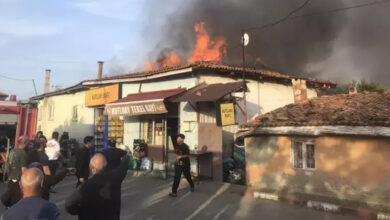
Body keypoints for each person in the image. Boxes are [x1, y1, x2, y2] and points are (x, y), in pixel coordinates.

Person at [65, 153, 129, 220]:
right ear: (106, 166)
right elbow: (123, 166)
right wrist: (126, 157)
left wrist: (80, 211)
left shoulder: (85, 186)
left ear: (92, 169)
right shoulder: (116, 177)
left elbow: (68, 204)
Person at [2, 136, 29, 207]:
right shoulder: (23, 153)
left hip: (11, 179)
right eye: (28, 142)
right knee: (17, 203)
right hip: (18, 180)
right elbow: (24, 169)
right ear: (25, 143)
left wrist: (9, 176)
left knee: (10, 201)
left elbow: (7, 166)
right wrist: (25, 183)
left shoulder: (12, 151)